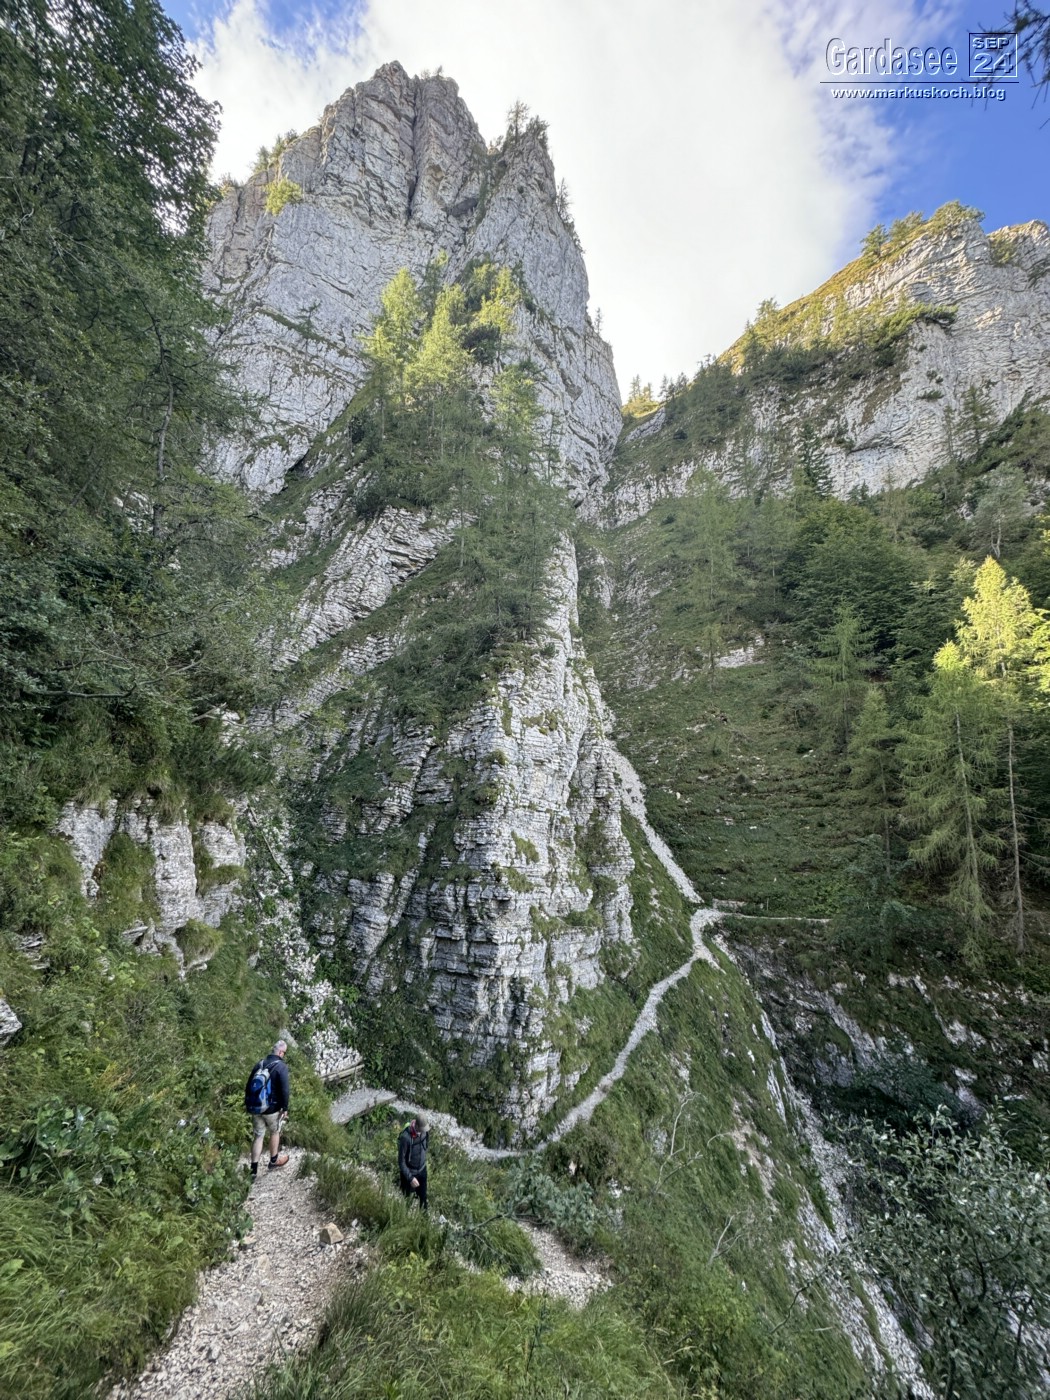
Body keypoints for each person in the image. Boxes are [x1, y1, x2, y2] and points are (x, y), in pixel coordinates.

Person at [245, 1039, 291, 1177]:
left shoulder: (259, 1064)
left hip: (256, 1107)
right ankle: (273, 1160)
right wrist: (285, 1108)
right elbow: (285, 1090)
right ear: (281, 1052)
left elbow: (248, 1085)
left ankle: (253, 1171)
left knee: (258, 1136)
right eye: (284, 1053)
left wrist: (249, 1103)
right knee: (275, 1132)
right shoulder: (281, 1067)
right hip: (272, 1109)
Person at [397, 1112, 429, 1210]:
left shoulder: (425, 1132)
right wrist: (410, 1178)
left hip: (422, 1170)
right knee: (407, 1199)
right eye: (422, 1129)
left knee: (423, 1198)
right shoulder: (405, 1138)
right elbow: (401, 1162)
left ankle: (424, 1216)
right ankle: (404, 1215)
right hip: (410, 1173)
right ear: (417, 1126)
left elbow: (426, 1145)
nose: (424, 1131)